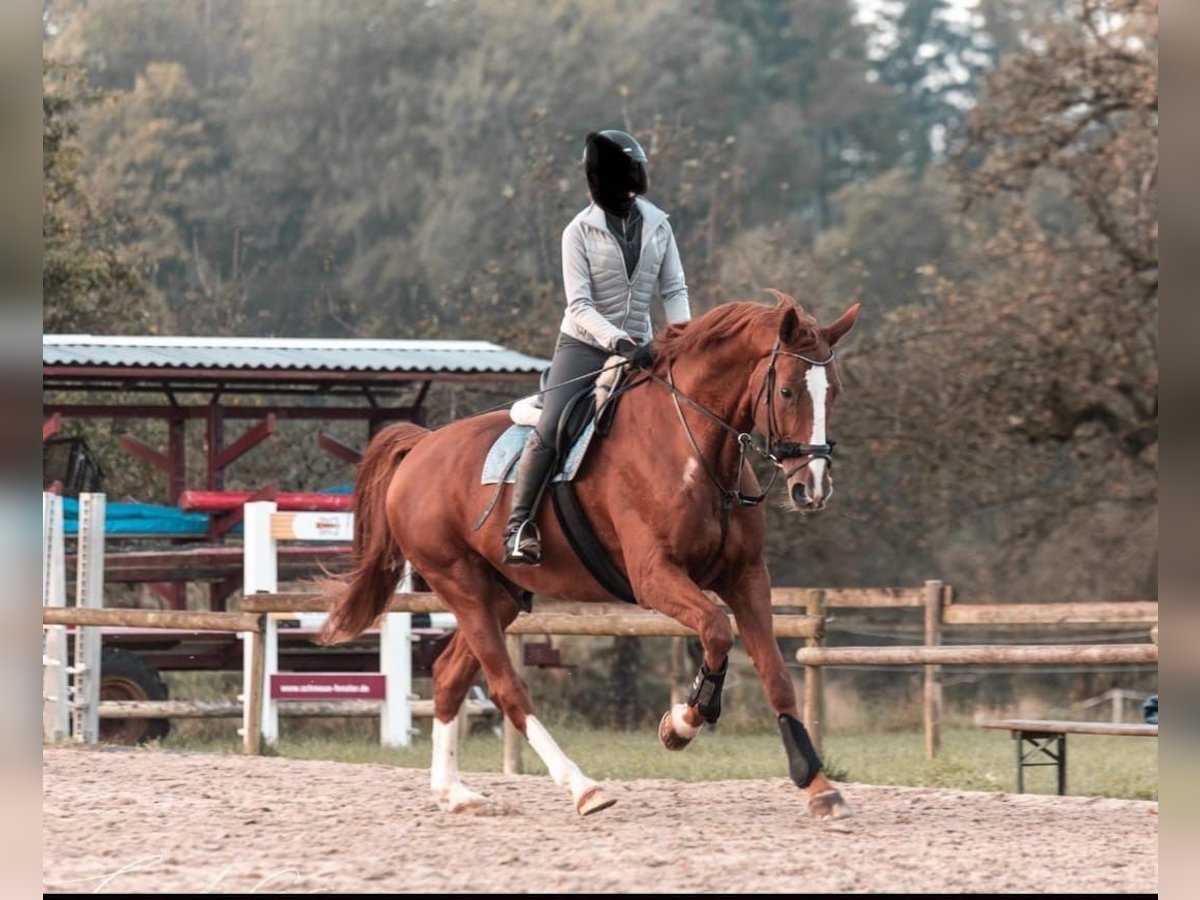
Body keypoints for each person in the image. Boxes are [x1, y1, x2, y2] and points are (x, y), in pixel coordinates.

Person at [503, 128, 691, 565]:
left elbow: (675, 288)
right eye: (621, 182)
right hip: (584, 344)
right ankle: (518, 527)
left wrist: (683, 338)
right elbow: (580, 304)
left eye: (633, 181)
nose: (629, 189)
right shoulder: (577, 233)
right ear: (600, 183)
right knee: (553, 425)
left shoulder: (660, 226)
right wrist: (618, 341)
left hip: (643, 345)